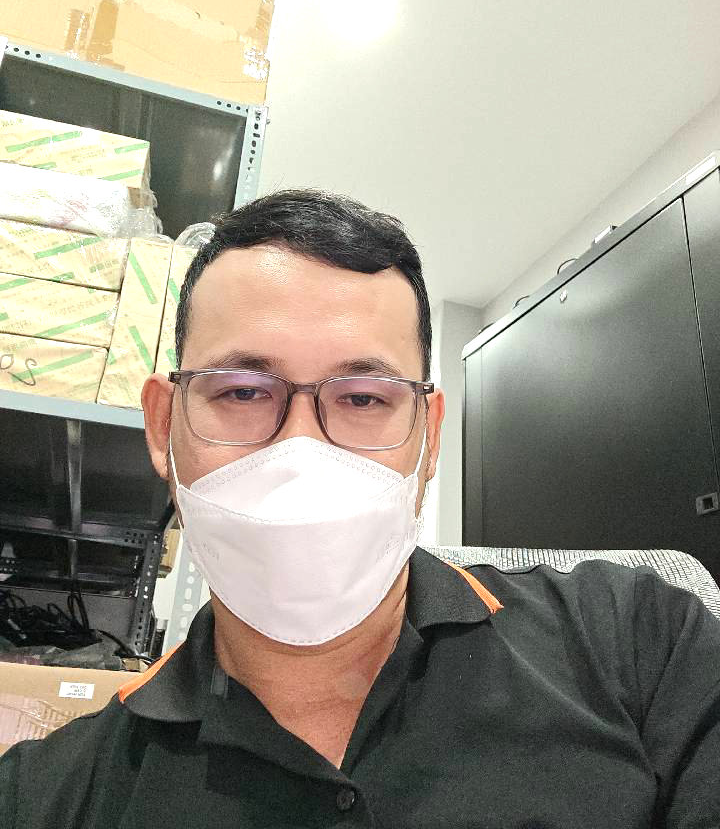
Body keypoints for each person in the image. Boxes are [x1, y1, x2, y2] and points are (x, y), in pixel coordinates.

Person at [1, 189, 719, 829]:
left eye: (365, 399)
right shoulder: (41, 798)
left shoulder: (640, 642)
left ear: (429, 437)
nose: (301, 455)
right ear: (164, 426)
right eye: (243, 391)